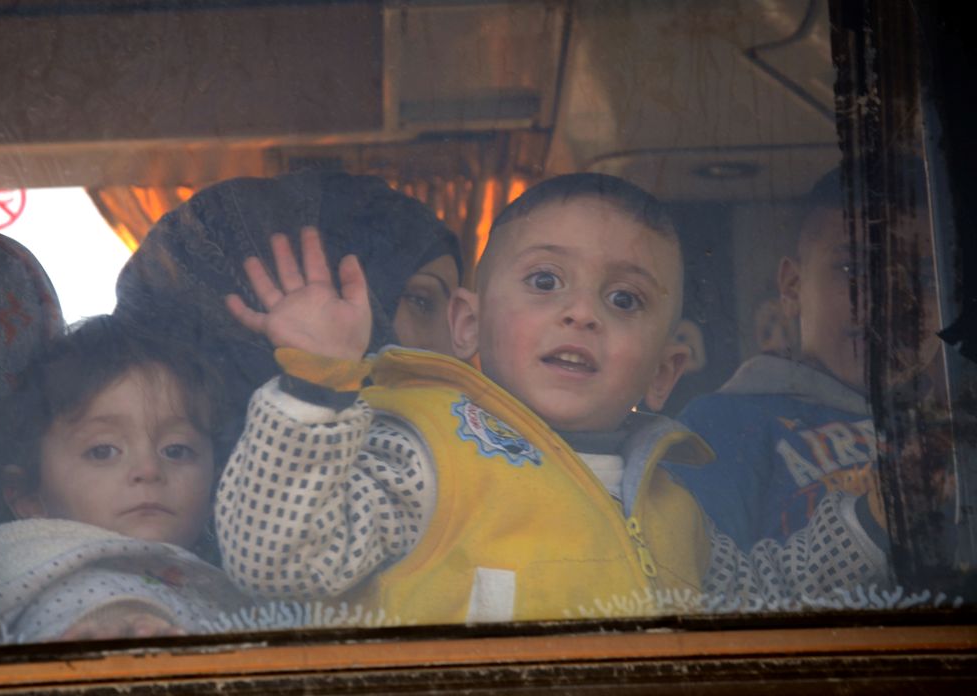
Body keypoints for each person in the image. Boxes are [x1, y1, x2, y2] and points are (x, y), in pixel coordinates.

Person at [215, 173, 890, 624]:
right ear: (469, 325)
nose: (581, 313)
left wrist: (873, 521)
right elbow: (276, 561)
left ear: (664, 371)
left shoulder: (672, 504)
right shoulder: (422, 455)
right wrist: (316, 386)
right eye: (545, 281)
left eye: (623, 299)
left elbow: (762, 605)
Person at [670, 166, 942, 551]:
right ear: (793, 286)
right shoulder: (720, 427)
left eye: (926, 280)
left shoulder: (955, 431)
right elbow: (708, 589)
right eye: (855, 269)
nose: (891, 305)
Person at [113, 170, 463, 443]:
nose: (453, 351)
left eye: (461, 318)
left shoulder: (449, 484)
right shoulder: (135, 504)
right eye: (421, 301)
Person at [0, 317, 247, 641]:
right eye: (102, 451)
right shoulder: (52, 580)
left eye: (177, 450)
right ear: (29, 499)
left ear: (215, 483)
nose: (149, 469)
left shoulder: (234, 572)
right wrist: (116, 624)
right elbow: (71, 613)